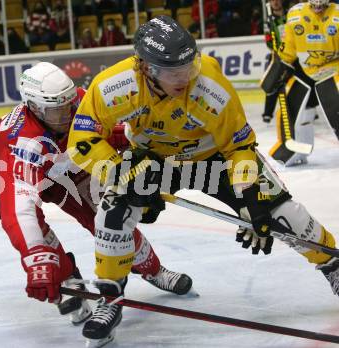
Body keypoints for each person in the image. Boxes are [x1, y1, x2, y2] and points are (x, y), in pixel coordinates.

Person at [67, 15, 339, 346]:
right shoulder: (114, 85)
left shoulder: (210, 82)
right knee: (111, 213)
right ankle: (109, 295)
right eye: (173, 72)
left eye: (189, 66)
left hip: (215, 159)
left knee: (285, 214)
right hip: (153, 161)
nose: (185, 77)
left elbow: (239, 148)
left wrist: (251, 199)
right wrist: (122, 170)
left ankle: (332, 264)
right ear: (145, 68)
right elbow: (81, 140)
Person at [0, 62, 193, 336]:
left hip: (63, 163)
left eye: (70, 104)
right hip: (4, 177)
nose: (67, 114)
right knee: (40, 243)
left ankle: (153, 269)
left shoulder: (75, 100)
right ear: (35, 107)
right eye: (57, 110)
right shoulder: (23, 143)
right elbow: (20, 210)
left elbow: (108, 129)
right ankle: (68, 279)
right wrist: (35, 256)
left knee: (107, 218)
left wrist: (134, 145)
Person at [262, 0, 339, 166]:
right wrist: (277, 72)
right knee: (289, 105)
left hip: (334, 69)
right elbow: (288, 49)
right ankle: (291, 149)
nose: (318, 7)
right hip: (307, 70)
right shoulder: (295, 14)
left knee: (336, 102)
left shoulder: (338, 14)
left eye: (322, 4)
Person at [261, 0, 287, 124]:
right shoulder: (268, 21)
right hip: (277, 57)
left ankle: (308, 108)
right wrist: (276, 51)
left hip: (293, 55)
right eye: (272, 0)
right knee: (272, 83)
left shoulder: (291, 16)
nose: (275, 2)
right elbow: (268, 41)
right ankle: (268, 113)